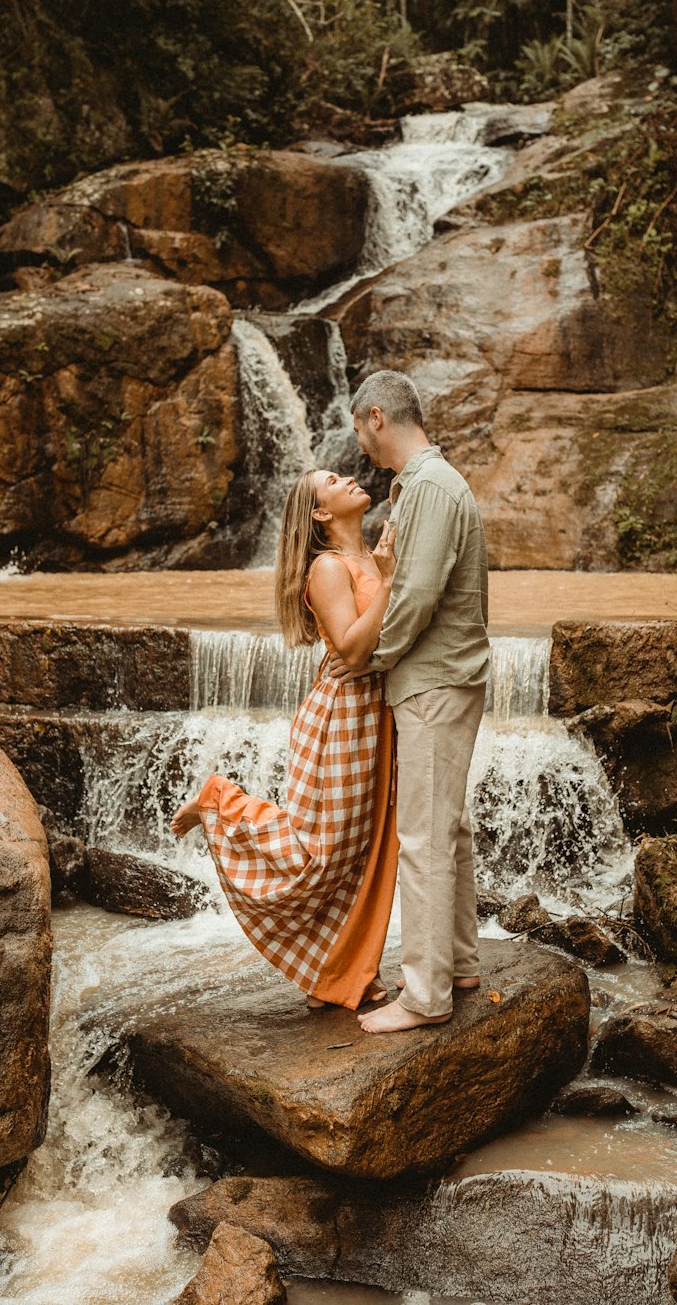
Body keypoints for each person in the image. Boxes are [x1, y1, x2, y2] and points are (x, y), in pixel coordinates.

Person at [169, 468, 398, 1012]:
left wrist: (388, 574)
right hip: (343, 719)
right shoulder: (327, 567)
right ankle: (219, 803)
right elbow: (353, 650)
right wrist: (389, 584)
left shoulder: (375, 554)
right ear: (320, 514)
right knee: (320, 855)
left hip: (379, 715)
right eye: (333, 481)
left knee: (361, 854)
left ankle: (338, 972)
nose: (348, 479)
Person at [334, 370, 490, 1035]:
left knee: (423, 839)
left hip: (433, 680)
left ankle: (427, 996)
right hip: (451, 676)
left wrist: (372, 659)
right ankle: (459, 963)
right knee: (449, 829)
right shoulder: (435, 482)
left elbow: (417, 595)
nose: (360, 448)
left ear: (376, 417)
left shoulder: (428, 487)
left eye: (359, 430)